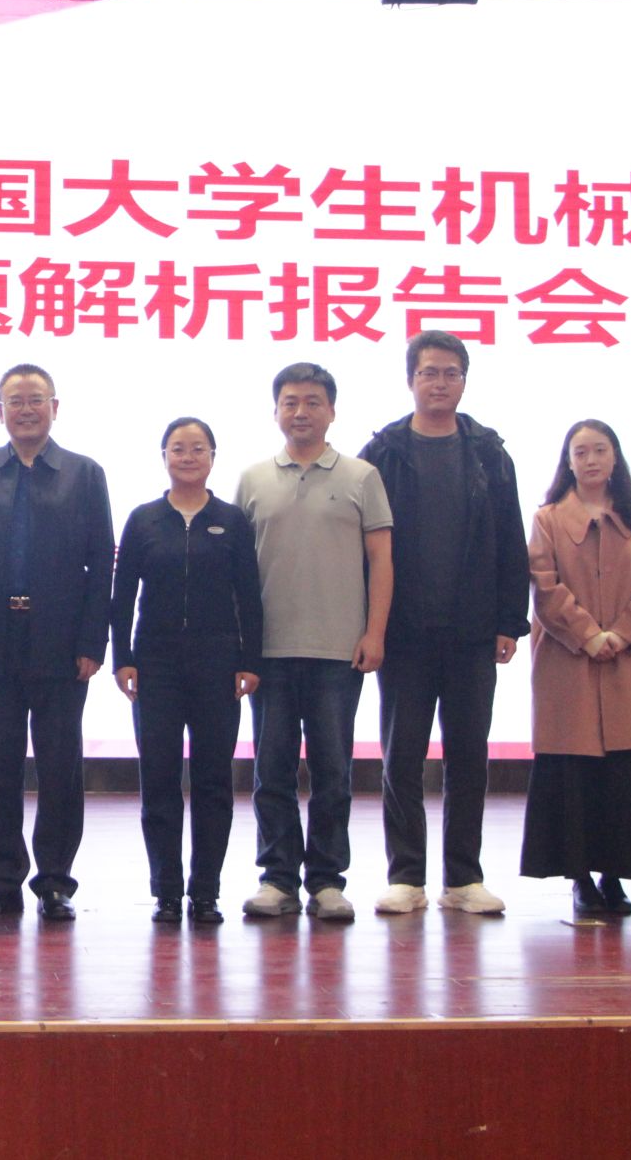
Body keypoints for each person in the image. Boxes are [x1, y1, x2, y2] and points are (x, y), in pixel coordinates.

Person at [359, 331, 530, 915]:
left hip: (472, 633)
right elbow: (362, 549)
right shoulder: (382, 453)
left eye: (450, 372)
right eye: (429, 372)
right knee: (401, 757)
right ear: (411, 379)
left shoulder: (488, 453)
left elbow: (510, 539)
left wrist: (510, 620)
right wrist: (370, 625)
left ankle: (463, 878)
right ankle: (406, 876)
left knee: (468, 757)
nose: (439, 382)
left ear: (464, 381)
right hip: (403, 633)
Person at [0, 365, 113, 923]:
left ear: (54, 408)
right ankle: (0, 881)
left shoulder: (84, 474)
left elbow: (102, 564)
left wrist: (93, 639)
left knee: (60, 766)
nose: (25, 409)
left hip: (61, 641)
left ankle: (56, 883)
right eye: (14, 401)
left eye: (35, 399)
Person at [234, 362, 392, 922]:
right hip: (270, 652)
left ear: (332, 410)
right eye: (290, 402)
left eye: (312, 402)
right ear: (276, 411)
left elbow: (382, 560)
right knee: (271, 772)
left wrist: (375, 632)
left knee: (333, 773)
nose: (301, 412)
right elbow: (237, 571)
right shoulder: (252, 479)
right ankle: (277, 878)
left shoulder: (362, 477)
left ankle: (327, 881)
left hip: (338, 650)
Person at [521, 420, 631, 916]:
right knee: (575, 774)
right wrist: (588, 634)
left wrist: (623, 632)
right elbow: (544, 586)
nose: (590, 460)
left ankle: (615, 876)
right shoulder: (547, 519)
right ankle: (581, 879)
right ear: (568, 462)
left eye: (600, 450)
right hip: (567, 662)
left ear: (615, 458)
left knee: (622, 775)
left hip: (626, 662)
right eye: (581, 452)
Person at [111, 418, 263, 924]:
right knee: (159, 778)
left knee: (214, 780)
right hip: (155, 663)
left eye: (198, 448)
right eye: (178, 448)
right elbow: (122, 597)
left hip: (218, 662)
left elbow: (249, 595)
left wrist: (250, 660)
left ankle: (205, 892)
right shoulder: (144, 520)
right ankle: (167, 892)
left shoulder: (231, 520)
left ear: (213, 457)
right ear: (164, 457)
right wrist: (123, 657)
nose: (188, 457)